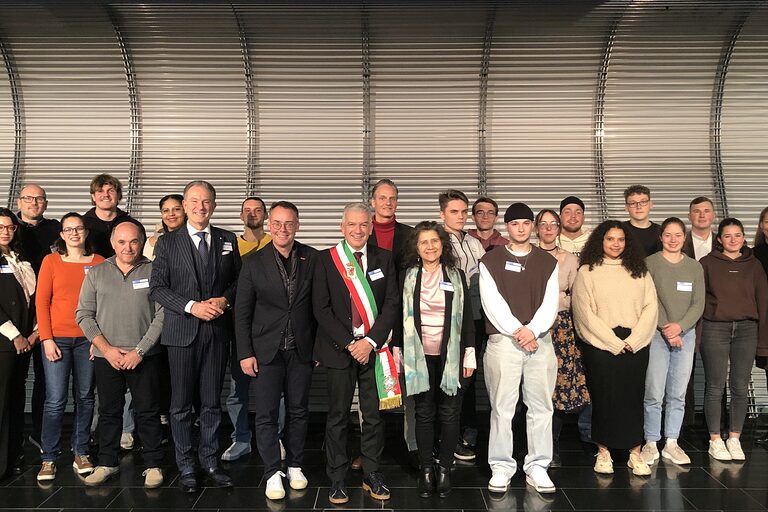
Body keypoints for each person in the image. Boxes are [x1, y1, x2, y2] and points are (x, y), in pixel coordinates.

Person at [150, 180, 241, 493]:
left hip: (216, 333)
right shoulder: (167, 243)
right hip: (181, 334)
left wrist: (224, 300)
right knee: (180, 406)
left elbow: (238, 282)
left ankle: (211, 461)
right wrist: (192, 306)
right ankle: (186, 465)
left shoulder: (228, 239)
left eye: (206, 202)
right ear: (185, 205)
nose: (200, 207)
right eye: (194, 201)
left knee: (212, 404)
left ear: (213, 206)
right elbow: (158, 288)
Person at [313, 202, 399, 504]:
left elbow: (391, 304)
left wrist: (370, 342)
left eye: (364, 224)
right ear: (342, 227)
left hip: (374, 350)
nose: (358, 230)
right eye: (352, 224)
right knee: (337, 415)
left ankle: (372, 473)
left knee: (373, 416)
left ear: (371, 227)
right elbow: (320, 308)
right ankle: (336, 477)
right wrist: (351, 343)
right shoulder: (326, 260)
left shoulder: (384, 259)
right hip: (340, 350)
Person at [235, 201, 317, 500]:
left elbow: (319, 307)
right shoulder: (253, 263)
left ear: (297, 225)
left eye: (289, 223)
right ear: (270, 225)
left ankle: (294, 464)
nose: (283, 229)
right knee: (267, 414)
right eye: (277, 223)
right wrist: (245, 352)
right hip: (265, 350)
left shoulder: (313, 258)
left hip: (301, 350)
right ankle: (272, 471)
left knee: (298, 410)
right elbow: (242, 313)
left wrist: (319, 348)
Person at [75, 219, 165, 488]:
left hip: (145, 356)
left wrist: (140, 350)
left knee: (148, 412)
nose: (128, 247)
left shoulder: (155, 271)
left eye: (134, 241)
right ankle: (107, 462)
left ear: (142, 242)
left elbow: (162, 315)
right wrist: (107, 349)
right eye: (122, 241)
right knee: (110, 412)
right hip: (107, 357)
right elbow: (84, 314)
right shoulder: (96, 272)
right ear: (113, 243)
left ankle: (153, 464)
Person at [480, 202, 560, 495]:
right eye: (515, 224)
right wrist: (518, 331)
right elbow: (492, 302)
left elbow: (551, 303)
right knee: (502, 407)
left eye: (527, 223)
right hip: (504, 342)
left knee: (541, 407)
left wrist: (532, 331)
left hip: (540, 341)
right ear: (507, 227)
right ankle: (501, 466)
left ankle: (538, 466)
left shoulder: (547, 262)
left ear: (533, 227)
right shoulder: (491, 261)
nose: (521, 229)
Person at [393, 221, 475, 498]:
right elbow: (396, 316)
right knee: (424, 413)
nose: (430, 246)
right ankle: (426, 470)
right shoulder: (407, 275)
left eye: (435, 241)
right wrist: (397, 350)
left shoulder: (456, 275)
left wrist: (470, 352)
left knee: (450, 414)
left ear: (443, 244)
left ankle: (444, 470)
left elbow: (466, 322)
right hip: (418, 356)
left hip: (450, 355)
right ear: (416, 247)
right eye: (424, 242)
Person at [571, 220, 658, 476]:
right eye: (610, 239)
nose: (616, 244)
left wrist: (634, 340)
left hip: (634, 343)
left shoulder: (639, 270)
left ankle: (635, 453)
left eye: (620, 239)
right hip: (601, 345)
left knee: (633, 398)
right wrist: (612, 342)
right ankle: (604, 452)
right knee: (604, 399)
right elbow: (583, 312)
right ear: (601, 241)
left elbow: (651, 307)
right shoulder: (587, 271)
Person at [36, 212, 104, 481]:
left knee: (86, 397)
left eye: (79, 228)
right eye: (69, 229)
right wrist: (46, 339)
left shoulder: (99, 262)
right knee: (55, 401)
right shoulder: (51, 261)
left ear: (86, 233)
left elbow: (102, 304)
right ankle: (48, 457)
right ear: (62, 235)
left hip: (87, 340)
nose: (74, 233)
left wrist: (97, 339)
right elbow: (42, 303)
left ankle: (81, 450)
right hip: (57, 339)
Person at [699, 218, 768, 461]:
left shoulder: (754, 265)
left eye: (737, 235)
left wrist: (762, 340)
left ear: (743, 238)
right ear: (719, 239)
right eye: (727, 235)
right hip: (715, 329)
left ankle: (735, 438)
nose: (732, 239)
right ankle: (715, 439)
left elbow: (763, 301)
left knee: (740, 386)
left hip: (747, 330)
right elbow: (699, 301)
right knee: (715, 386)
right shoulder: (706, 263)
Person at [641, 217, 705, 466]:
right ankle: (650, 441)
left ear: (684, 237)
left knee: (677, 393)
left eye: (678, 235)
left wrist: (680, 327)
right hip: (657, 334)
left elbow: (698, 303)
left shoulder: (694, 267)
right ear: (661, 237)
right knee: (654, 391)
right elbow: (649, 299)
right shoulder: (650, 264)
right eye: (668, 234)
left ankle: (671, 442)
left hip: (686, 335)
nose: (673, 239)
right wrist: (667, 328)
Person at [534, 209, 589, 468]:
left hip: (562, 326)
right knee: (537, 386)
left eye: (552, 224)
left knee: (557, 387)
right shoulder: (528, 256)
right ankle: (533, 443)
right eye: (543, 224)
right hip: (533, 327)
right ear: (536, 228)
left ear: (558, 229)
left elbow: (575, 294)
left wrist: (560, 299)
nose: (548, 228)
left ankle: (553, 444)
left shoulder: (568, 259)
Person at [368, 179, 416, 467]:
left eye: (393, 198)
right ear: (372, 201)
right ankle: (369, 449)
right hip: (368, 324)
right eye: (382, 198)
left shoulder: (410, 236)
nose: (388, 203)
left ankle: (413, 448)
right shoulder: (362, 231)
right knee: (370, 392)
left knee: (411, 387)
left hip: (404, 322)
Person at [222, 197, 272, 463]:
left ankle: (275, 438)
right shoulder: (229, 246)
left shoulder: (275, 242)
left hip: (270, 329)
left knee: (275, 389)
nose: (252, 214)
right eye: (247, 211)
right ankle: (241, 439)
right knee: (237, 388)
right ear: (241, 216)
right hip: (238, 327)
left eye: (258, 210)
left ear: (265, 215)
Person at [438, 189, 484, 460]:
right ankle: (444, 438)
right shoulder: (436, 241)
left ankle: (461, 433)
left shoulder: (474, 243)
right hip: (445, 320)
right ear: (442, 213)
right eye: (454, 211)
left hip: (473, 318)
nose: (460, 216)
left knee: (467, 377)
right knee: (446, 377)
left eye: (464, 212)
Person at [15, 184, 60, 453]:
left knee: (46, 378)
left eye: (40, 198)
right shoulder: (9, 227)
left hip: (48, 313)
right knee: (14, 381)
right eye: (29, 198)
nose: (34, 202)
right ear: (20, 201)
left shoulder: (55, 229)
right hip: (16, 317)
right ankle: (13, 436)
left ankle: (43, 434)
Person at [0, 209, 37, 479]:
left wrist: (33, 333)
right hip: (5, 341)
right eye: (1, 227)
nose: (5, 231)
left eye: (10, 227)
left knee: (14, 401)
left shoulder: (19, 258)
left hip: (24, 341)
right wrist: (15, 335)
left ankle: (11, 457)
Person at [681, 196, 716, 429]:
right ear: (690, 216)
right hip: (686, 314)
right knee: (685, 374)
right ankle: (685, 427)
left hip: (716, 315)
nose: (701, 215)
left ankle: (715, 426)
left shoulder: (724, 243)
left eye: (706, 211)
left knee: (716, 374)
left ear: (713, 215)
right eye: (696, 211)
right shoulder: (680, 243)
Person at [83, 174, 130, 258]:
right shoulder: (83, 225)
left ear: (119, 195)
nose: (106, 195)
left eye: (111, 191)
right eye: (100, 191)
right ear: (93, 196)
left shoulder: (130, 224)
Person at [622, 185, 661, 258]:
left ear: (651, 204)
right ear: (626, 208)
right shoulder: (619, 231)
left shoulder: (661, 231)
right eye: (633, 203)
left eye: (643, 202)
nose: (639, 207)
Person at [144, 194, 186, 260]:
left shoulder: (195, 239)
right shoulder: (150, 243)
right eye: (166, 210)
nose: (171, 214)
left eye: (177, 209)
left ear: (185, 211)